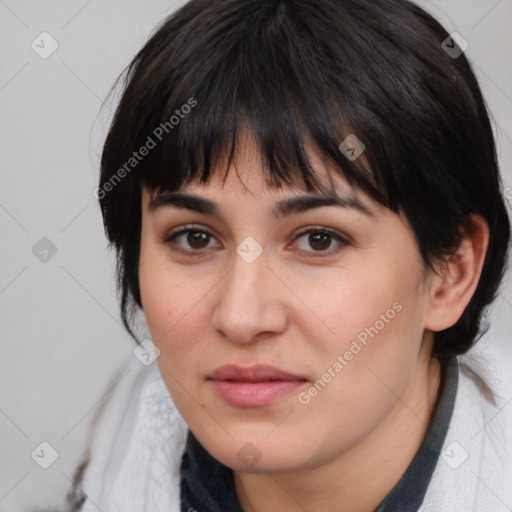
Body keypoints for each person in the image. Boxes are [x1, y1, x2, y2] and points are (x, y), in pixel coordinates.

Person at [60, 0, 512, 510]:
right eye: (194, 237)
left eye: (319, 239)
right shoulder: (101, 478)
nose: (241, 316)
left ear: (452, 272)